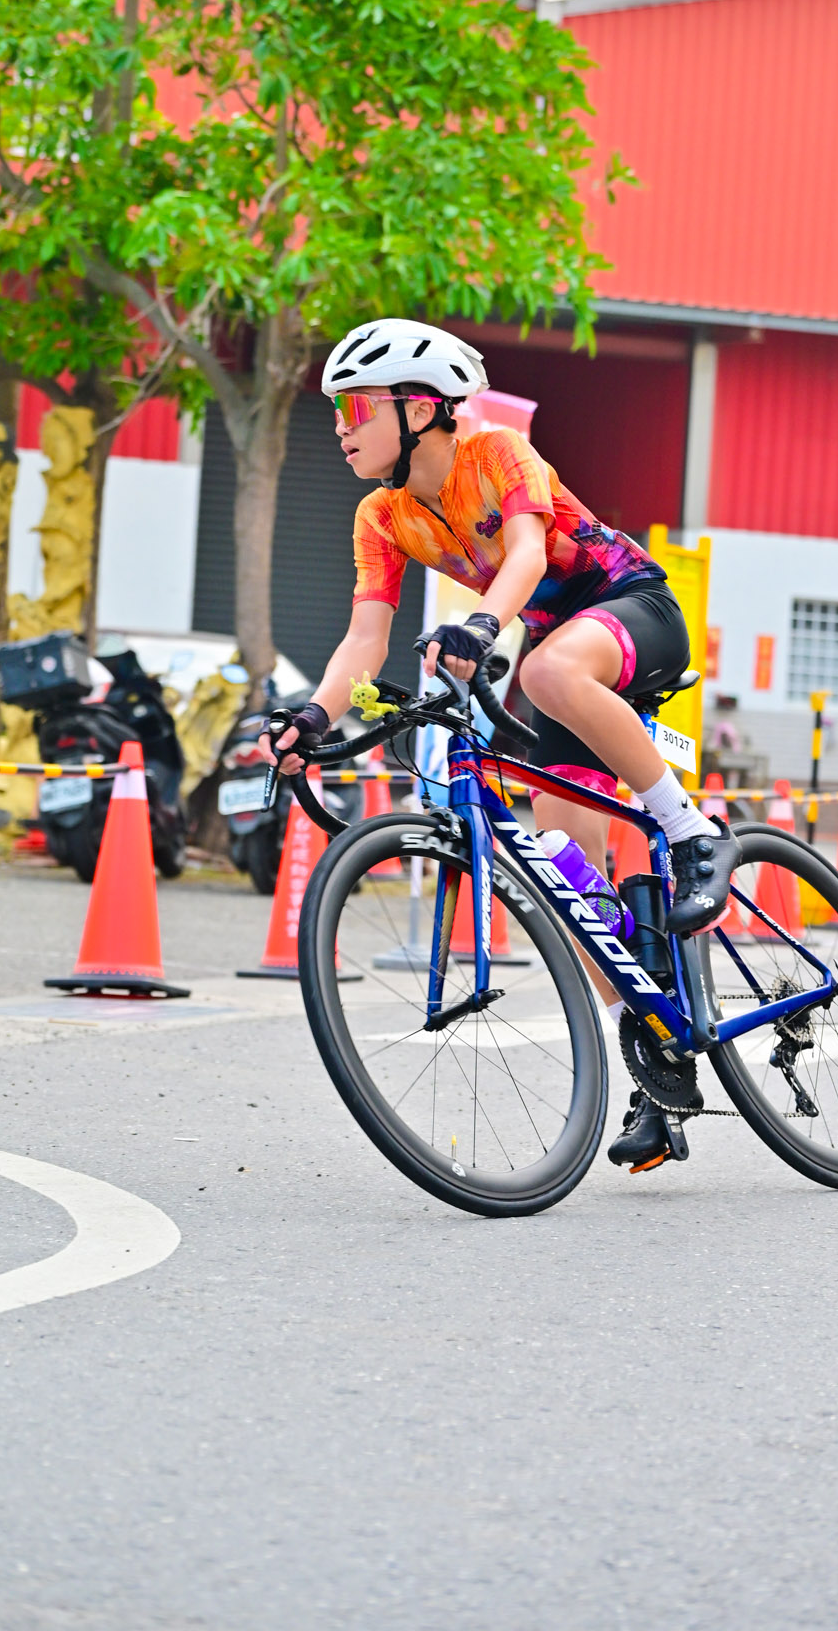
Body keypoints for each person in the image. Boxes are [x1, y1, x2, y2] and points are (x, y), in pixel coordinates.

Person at [260, 319, 740, 1173]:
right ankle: (657, 1046)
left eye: (355, 408)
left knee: (548, 672)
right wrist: (314, 719)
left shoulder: (496, 453)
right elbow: (365, 637)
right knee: (566, 874)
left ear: (419, 410)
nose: (339, 427)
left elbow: (523, 552)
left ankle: (689, 829)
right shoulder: (381, 516)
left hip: (631, 607)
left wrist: (483, 625)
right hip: (553, 645)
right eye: (336, 411)